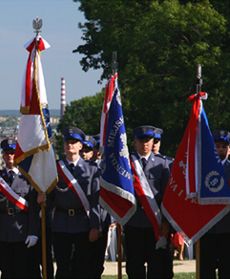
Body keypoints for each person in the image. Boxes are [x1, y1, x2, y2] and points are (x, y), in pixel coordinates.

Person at [50, 127, 101, 279]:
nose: (70, 145)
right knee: (62, 266)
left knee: (82, 267)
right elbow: (50, 197)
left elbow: (95, 201)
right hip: (60, 223)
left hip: (83, 223)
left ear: (80, 146)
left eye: (74, 142)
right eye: (68, 142)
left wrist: (95, 226)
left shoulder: (91, 170)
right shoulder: (55, 168)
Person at [124, 125, 173, 279]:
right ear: (134, 142)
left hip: (156, 225)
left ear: (153, 142)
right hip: (133, 222)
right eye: (141, 140)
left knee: (157, 268)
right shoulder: (126, 163)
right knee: (134, 267)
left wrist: (166, 222)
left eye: (148, 140)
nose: (145, 144)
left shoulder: (163, 164)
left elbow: (168, 197)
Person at [0, 138, 40, 279]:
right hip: (3, 232)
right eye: (7, 153)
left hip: (22, 231)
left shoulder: (28, 178)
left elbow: (34, 209)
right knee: (6, 272)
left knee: (23, 271)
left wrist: (33, 232)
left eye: (12, 152)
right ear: (3, 156)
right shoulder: (0, 177)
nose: (10, 156)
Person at [199, 130, 230, 278]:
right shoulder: (202, 169)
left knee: (227, 269)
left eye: (224, 146)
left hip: (227, 228)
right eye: (217, 146)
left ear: (229, 149)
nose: (220, 149)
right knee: (206, 269)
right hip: (207, 227)